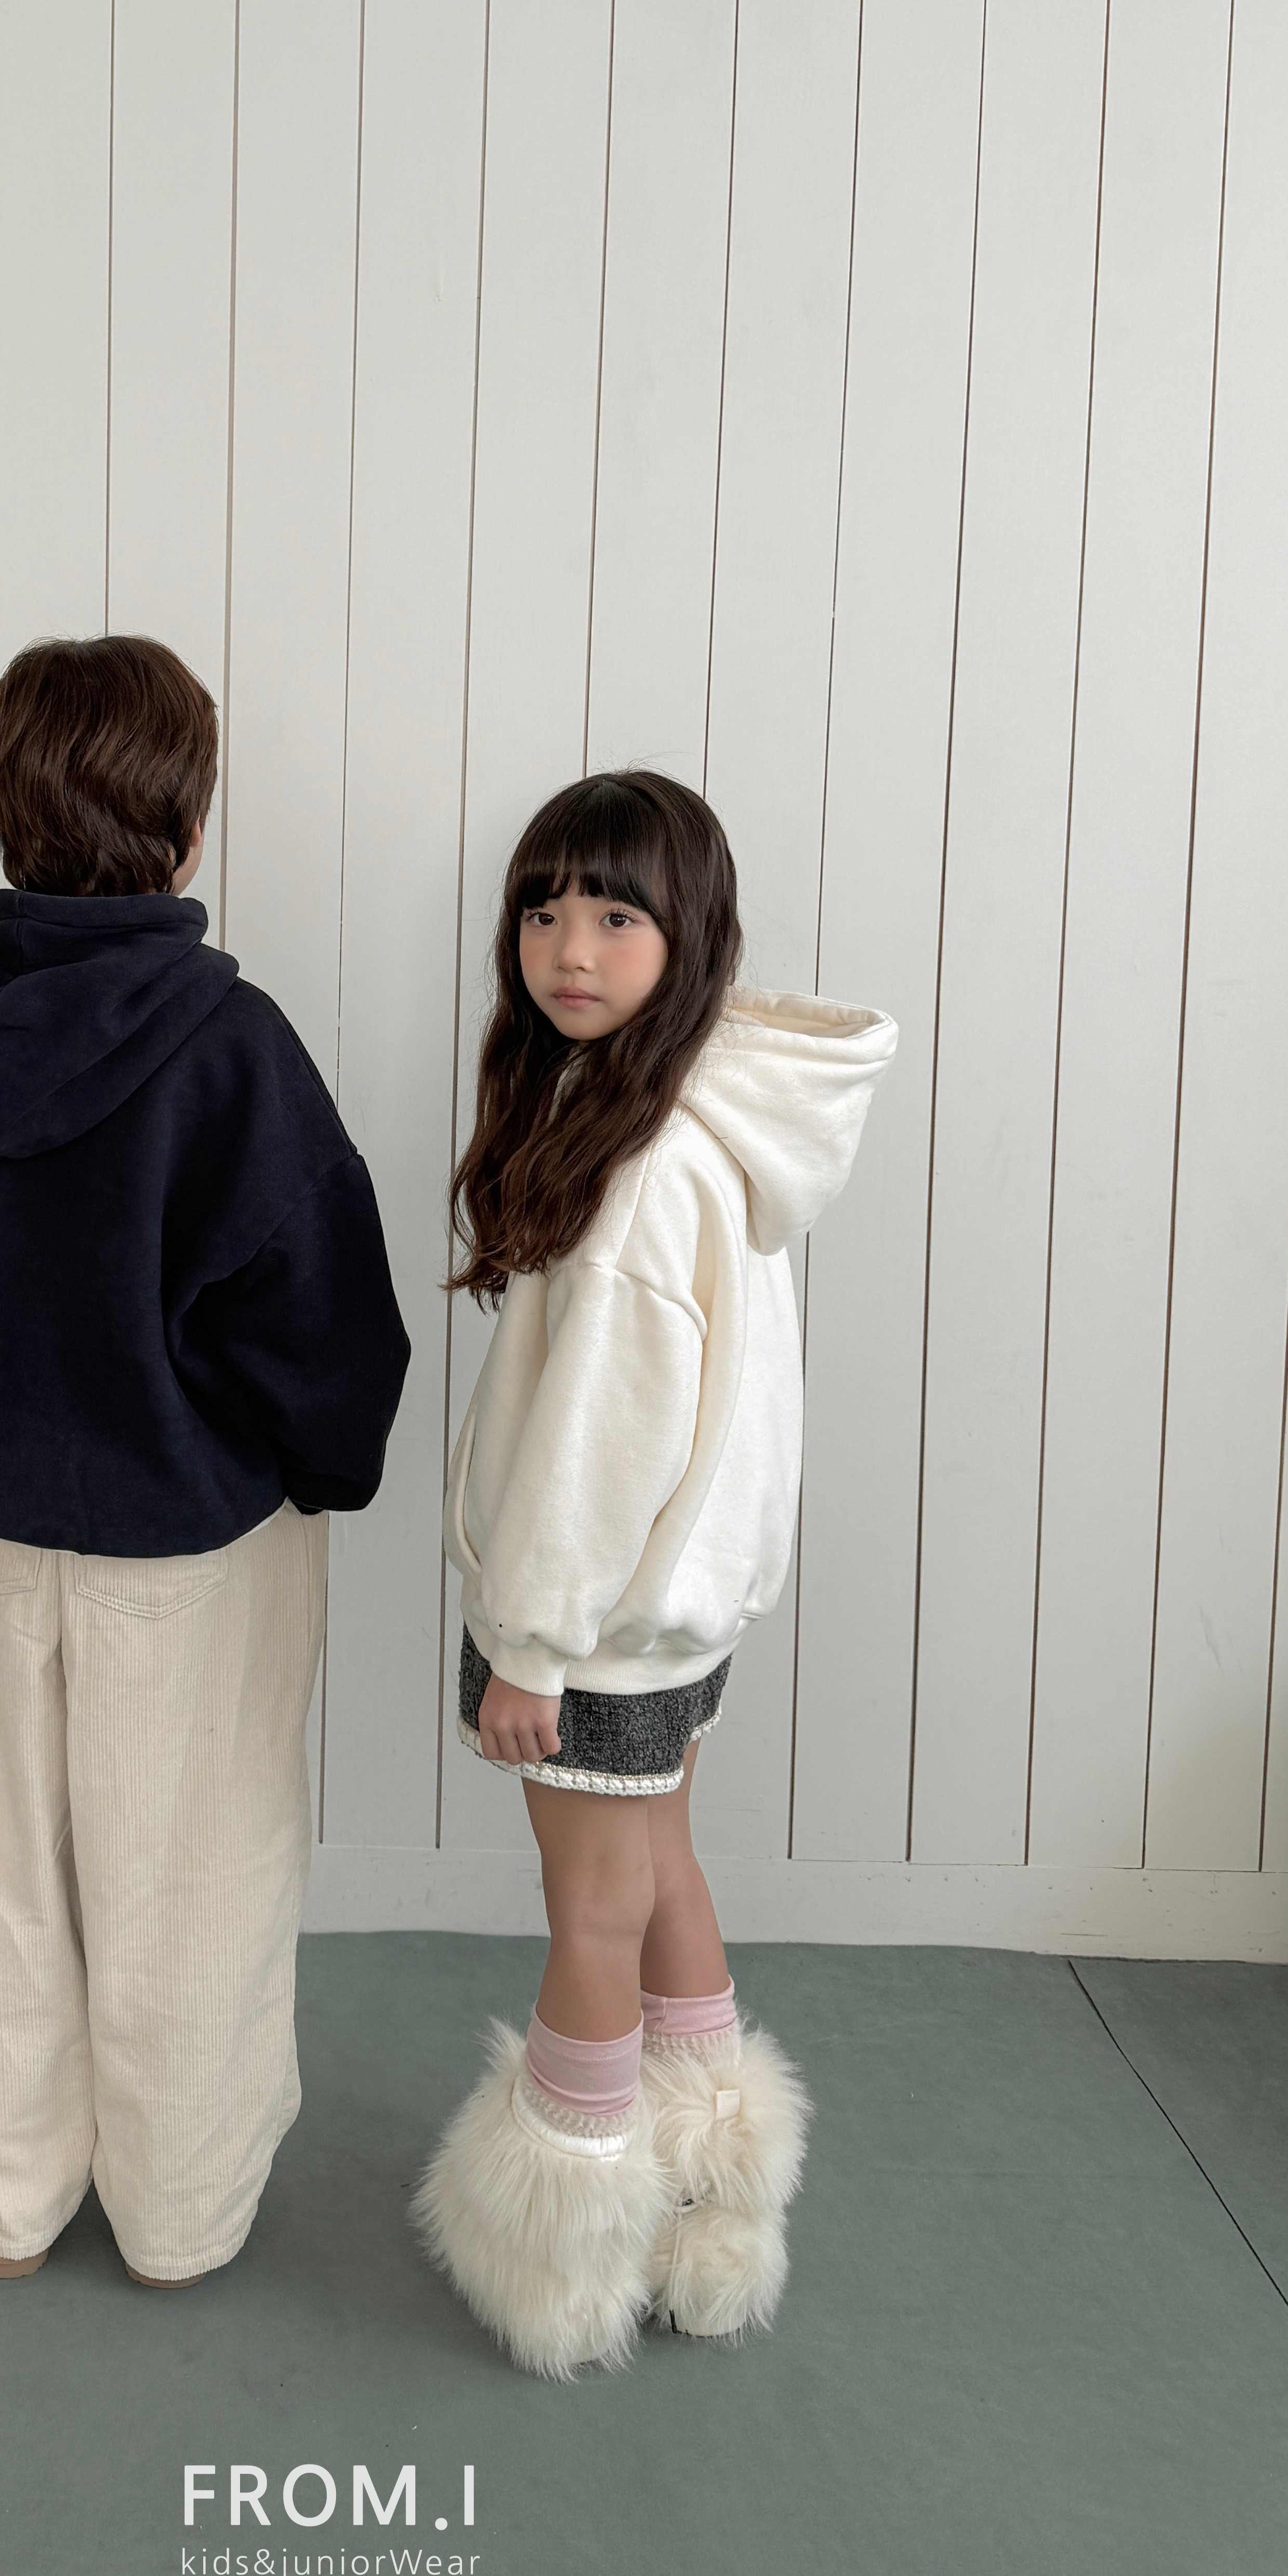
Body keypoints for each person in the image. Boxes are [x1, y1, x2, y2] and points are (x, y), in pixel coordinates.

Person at [0, 635, 410, 2291]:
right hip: (189, 1545)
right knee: (192, 1881)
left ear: (5, 806)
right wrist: (328, 1465)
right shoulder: (229, 1043)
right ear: (185, 821)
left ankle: (1, 2210)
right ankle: (177, 2221)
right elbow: (315, 1306)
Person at [411, 770, 894, 2378]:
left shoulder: (642, 1166)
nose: (569, 948)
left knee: (593, 1910)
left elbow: (597, 1447)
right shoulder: (695, 1117)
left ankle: (565, 2250)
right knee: (662, 1872)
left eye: (615, 915)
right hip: (674, 1612)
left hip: (597, 1622)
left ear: (689, 934)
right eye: (543, 909)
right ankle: (712, 2216)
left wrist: (529, 1643)